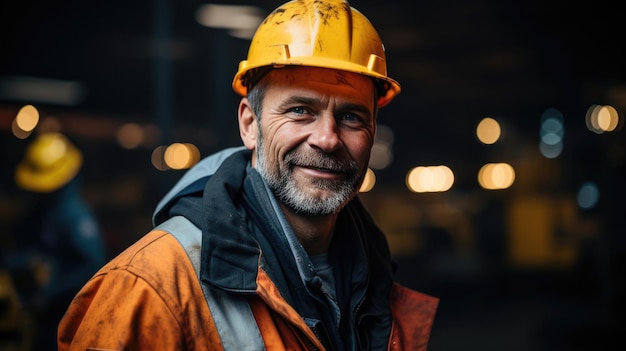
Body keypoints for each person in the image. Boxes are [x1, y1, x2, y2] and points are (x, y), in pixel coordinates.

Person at [57, 0, 439, 350]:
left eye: (351, 116)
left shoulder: (377, 286)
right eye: (300, 110)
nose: (327, 139)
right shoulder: (149, 289)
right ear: (250, 124)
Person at [3, 132, 108, 351]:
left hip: (66, 316)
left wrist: (50, 294)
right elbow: (31, 248)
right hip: (41, 316)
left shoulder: (75, 217)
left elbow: (94, 266)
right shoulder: (42, 211)